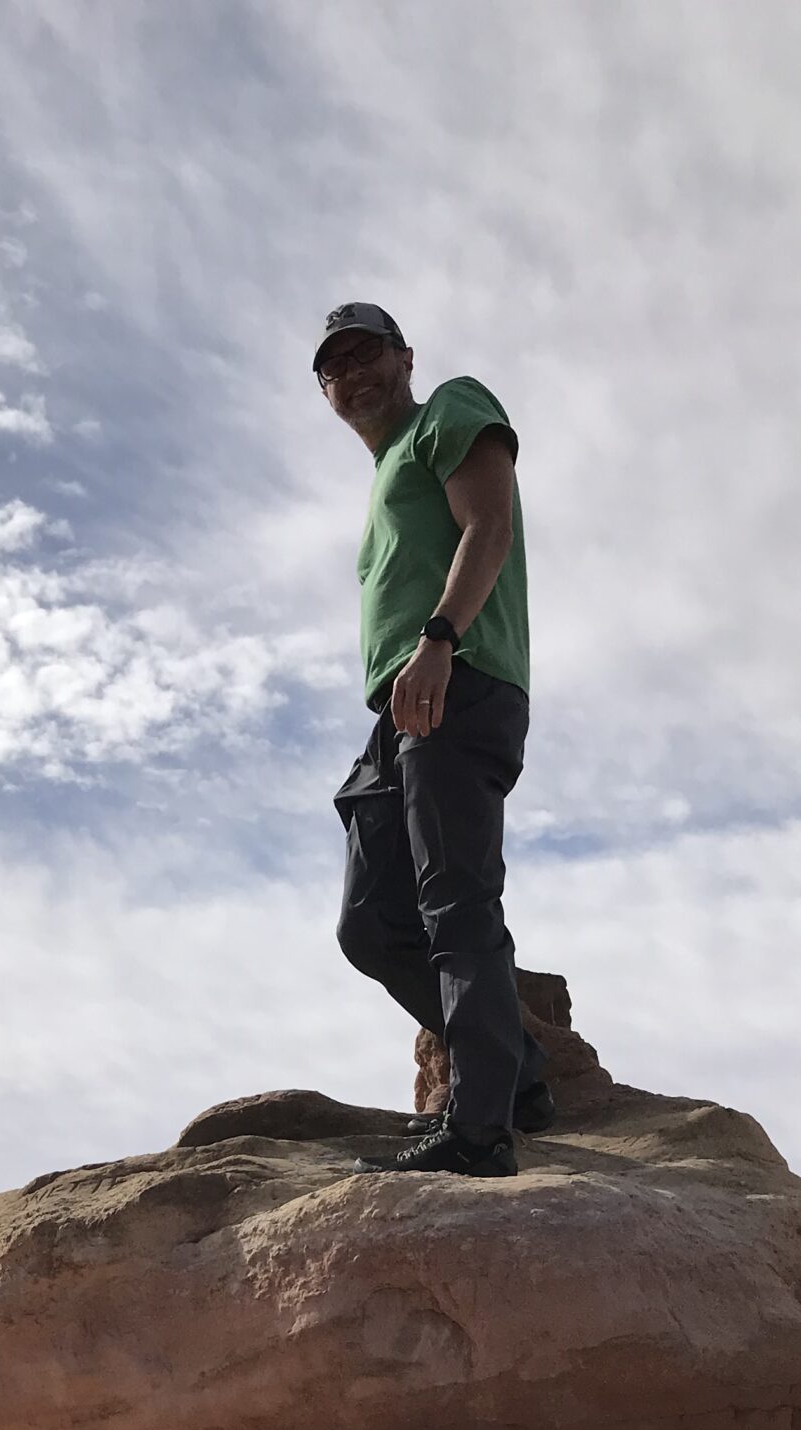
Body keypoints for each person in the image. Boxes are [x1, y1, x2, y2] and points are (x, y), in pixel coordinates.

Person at [313, 301, 551, 1178]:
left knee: (454, 903)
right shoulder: (383, 478)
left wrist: (441, 638)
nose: (352, 373)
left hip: (458, 675)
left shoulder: (448, 410)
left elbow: (490, 525)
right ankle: (517, 1075)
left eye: (365, 352)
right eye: (333, 366)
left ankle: (481, 1129)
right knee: (372, 923)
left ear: (404, 357)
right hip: (401, 706)